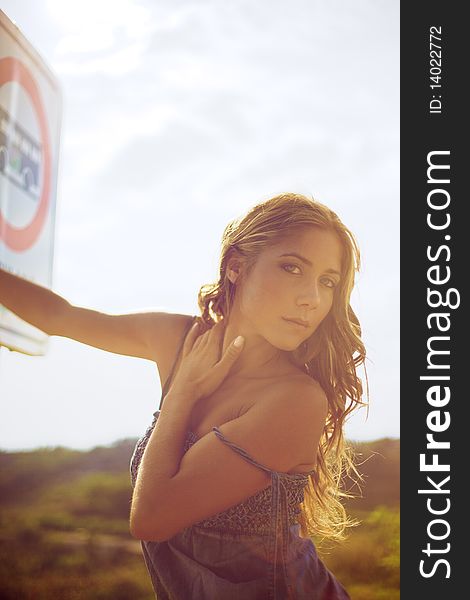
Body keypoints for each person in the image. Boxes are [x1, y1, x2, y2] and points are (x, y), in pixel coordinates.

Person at [0, 192, 366, 599]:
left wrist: (182, 393)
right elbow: (59, 317)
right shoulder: (180, 340)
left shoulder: (295, 400)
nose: (311, 299)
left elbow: (152, 518)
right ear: (236, 268)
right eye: (292, 267)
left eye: (327, 282)